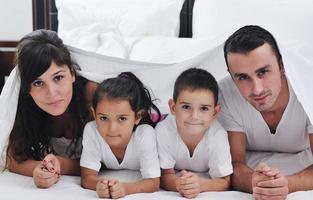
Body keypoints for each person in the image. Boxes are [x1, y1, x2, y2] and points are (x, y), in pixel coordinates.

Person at [219, 25, 313, 199]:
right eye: (242, 77)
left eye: (263, 72)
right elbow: (234, 163)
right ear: (231, 75)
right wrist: (254, 182)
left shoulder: (308, 88)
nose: (257, 89)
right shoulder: (224, 94)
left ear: (282, 65)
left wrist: (287, 184)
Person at [6, 29, 96, 188]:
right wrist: (41, 169)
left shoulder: (92, 95)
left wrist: (60, 164)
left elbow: (111, 157)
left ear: (72, 73)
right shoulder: (25, 105)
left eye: (58, 77)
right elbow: (13, 160)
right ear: (27, 88)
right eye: (38, 83)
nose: (52, 93)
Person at [80, 72, 161, 199]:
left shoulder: (145, 134)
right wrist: (100, 185)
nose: (112, 129)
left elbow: (153, 183)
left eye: (122, 118)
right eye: (103, 118)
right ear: (94, 114)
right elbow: (87, 177)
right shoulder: (92, 130)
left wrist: (125, 189)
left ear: (137, 116)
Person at [156, 68, 232, 198]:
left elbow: (225, 181)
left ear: (215, 112)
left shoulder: (217, 135)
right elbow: (165, 175)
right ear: (173, 108)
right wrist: (180, 184)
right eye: (186, 107)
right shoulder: (163, 130)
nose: (194, 116)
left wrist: (200, 185)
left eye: (204, 108)